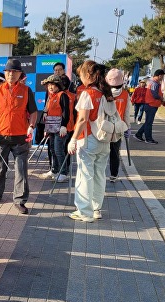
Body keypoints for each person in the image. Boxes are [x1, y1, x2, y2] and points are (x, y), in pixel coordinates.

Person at [67, 60, 114, 222]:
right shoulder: (106, 93)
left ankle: (84, 212)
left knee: (85, 176)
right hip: (105, 139)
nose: (80, 79)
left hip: (88, 139)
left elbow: (82, 120)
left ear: (88, 75)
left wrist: (72, 139)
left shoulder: (88, 93)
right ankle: (96, 209)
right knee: (99, 175)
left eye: (81, 75)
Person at [0, 59, 38, 213]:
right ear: (5, 73)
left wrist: (31, 126)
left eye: (14, 72)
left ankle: (20, 200)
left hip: (20, 137)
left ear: (20, 74)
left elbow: (33, 112)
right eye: (8, 71)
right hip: (0, 136)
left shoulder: (26, 91)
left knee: (21, 169)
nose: (11, 74)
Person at [40, 74, 73, 182]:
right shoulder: (50, 96)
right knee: (52, 149)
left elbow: (66, 112)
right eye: (49, 85)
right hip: (51, 128)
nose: (50, 87)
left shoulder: (62, 95)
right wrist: (46, 128)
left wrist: (64, 125)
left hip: (60, 128)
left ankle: (63, 173)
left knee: (59, 150)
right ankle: (54, 170)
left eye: (53, 85)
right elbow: (47, 111)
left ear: (58, 85)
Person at [105, 68, 132, 182]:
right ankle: (114, 175)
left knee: (102, 152)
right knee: (115, 152)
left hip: (105, 127)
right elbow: (127, 113)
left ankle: (100, 174)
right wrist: (128, 127)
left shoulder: (104, 93)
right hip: (119, 128)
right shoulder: (125, 94)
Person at [134, 69, 165, 144]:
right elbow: (155, 95)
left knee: (148, 122)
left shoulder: (152, 82)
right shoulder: (154, 83)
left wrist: (162, 101)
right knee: (149, 123)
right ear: (159, 75)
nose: (163, 77)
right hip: (151, 104)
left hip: (151, 104)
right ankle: (148, 139)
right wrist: (162, 99)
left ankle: (138, 134)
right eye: (162, 76)